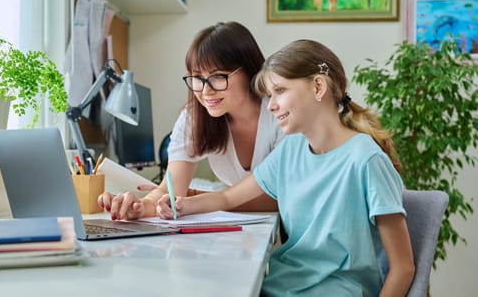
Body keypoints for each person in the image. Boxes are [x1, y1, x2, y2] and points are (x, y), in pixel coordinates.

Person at [156, 39, 415, 296]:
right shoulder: (290, 150)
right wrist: (182, 205)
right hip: (283, 283)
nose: (270, 105)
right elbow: (226, 198)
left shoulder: (366, 160)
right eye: (270, 95)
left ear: (317, 86)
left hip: (338, 289)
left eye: (279, 91)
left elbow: (403, 268)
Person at [98, 21, 284, 219]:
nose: (205, 91)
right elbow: (170, 191)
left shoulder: (280, 114)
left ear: (249, 71)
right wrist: (139, 206)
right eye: (197, 77)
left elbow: (280, 198)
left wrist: (197, 199)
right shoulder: (194, 117)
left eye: (218, 76)